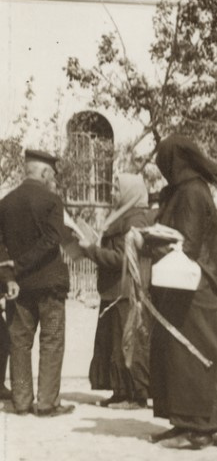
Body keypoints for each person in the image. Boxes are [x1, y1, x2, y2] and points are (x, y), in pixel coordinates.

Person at [146, 135, 217, 449]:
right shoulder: (182, 191)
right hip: (188, 288)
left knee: (192, 356)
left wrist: (147, 240)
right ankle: (183, 420)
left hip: (196, 288)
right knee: (191, 355)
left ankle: (198, 428)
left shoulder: (192, 193)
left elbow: (188, 243)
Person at [0, 149, 72, 417]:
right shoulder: (52, 200)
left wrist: (11, 274)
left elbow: (0, 247)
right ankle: (46, 403)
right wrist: (20, 265)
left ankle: (21, 401)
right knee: (51, 341)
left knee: (19, 343)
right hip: (50, 288)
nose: (52, 179)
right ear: (43, 172)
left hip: (17, 289)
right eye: (51, 174)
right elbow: (53, 239)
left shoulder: (5, 203)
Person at [82, 173, 153, 409]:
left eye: (116, 188)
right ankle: (121, 392)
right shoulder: (122, 217)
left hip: (126, 291)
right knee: (114, 343)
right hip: (115, 290)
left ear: (129, 192)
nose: (112, 192)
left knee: (128, 342)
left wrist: (92, 251)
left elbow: (124, 259)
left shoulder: (135, 220)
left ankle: (136, 395)